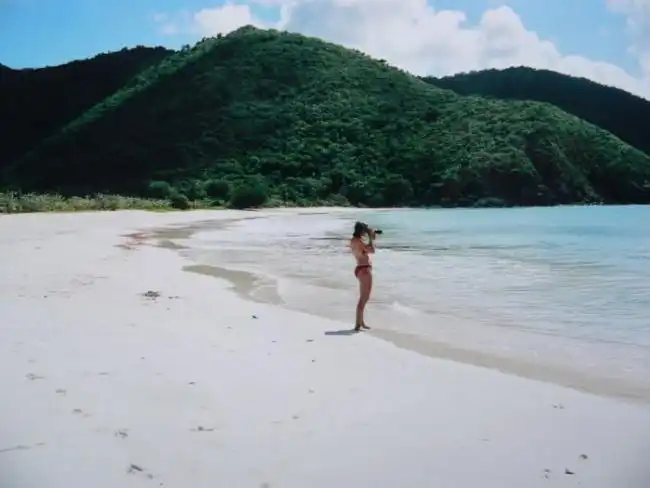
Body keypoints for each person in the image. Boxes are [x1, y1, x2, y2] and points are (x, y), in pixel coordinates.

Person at [349, 221, 376, 331]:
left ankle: (360, 321)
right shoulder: (358, 242)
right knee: (365, 298)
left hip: (360, 268)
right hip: (364, 269)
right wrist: (371, 238)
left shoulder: (353, 241)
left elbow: (364, 251)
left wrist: (370, 237)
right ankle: (357, 324)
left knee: (362, 297)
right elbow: (372, 250)